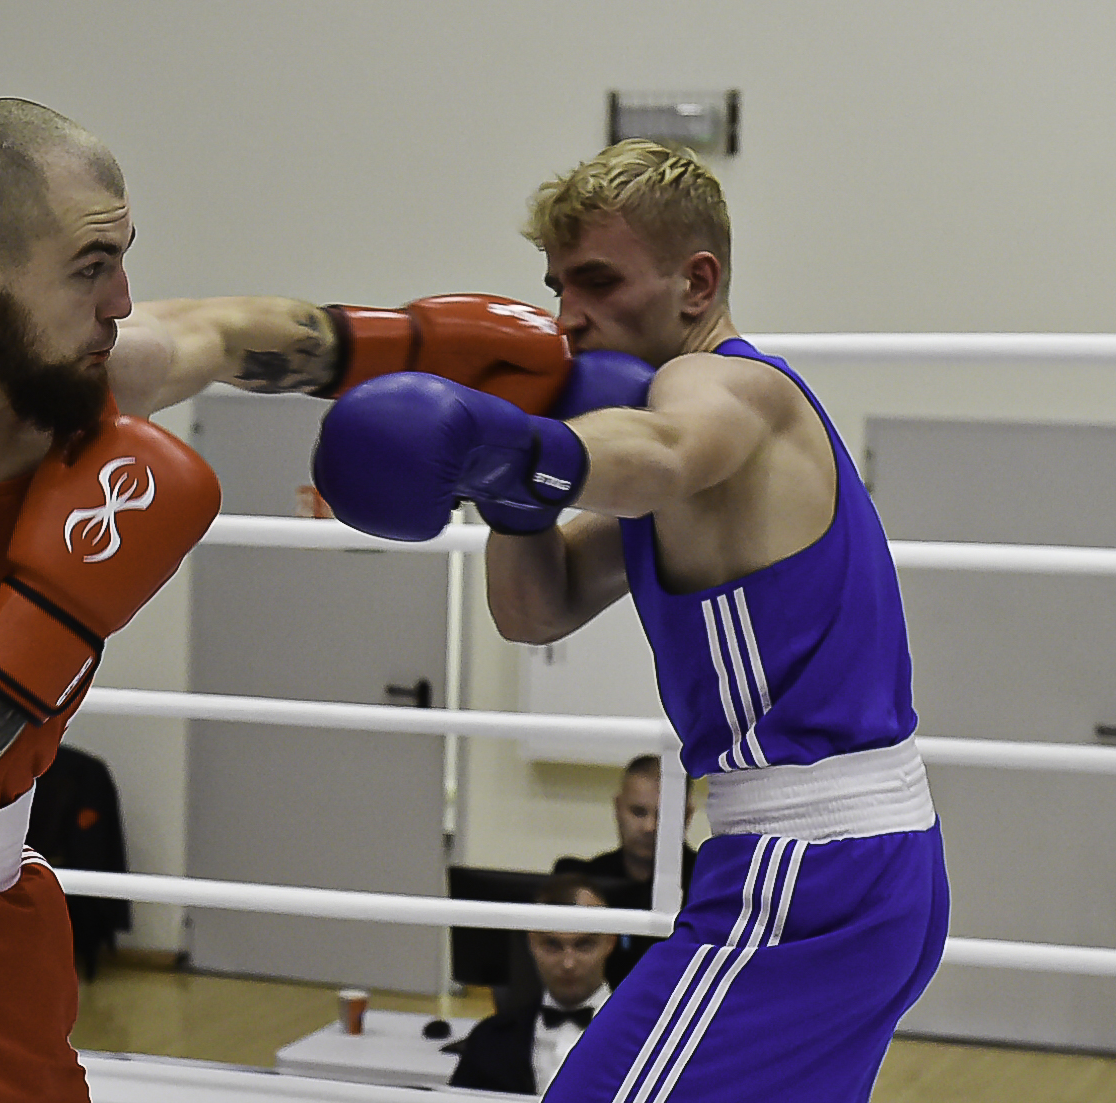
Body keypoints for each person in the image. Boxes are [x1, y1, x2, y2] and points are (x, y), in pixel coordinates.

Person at [0, 97, 571, 1102]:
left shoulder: (90, 380)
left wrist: (431, 347)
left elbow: (232, 333)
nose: (121, 300)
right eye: (89, 268)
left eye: (123, 259)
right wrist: (60, 609)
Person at [312, 138, 949, 1102]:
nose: (566, 315)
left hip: (804, 867)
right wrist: (510, 490)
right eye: (557, 285)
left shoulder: (724, 388)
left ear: (696, 281)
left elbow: (662, 450)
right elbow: (534, 609)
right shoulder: (674, 465)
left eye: (599, 281)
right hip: (857, 858)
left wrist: (504, 441)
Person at [451, 873, 616, 1096]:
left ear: (610, 942)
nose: (568, 963)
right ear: (531, 942)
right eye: (552, 945)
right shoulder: (489, 1039)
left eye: (584, 945)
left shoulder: (648, 1036)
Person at [564, 754, 697, 984]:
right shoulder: (585, 880)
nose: (649, 826)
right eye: (638, 812)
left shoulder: (708, 884)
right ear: (617, 807)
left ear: (687, 816)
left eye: (664, 814)